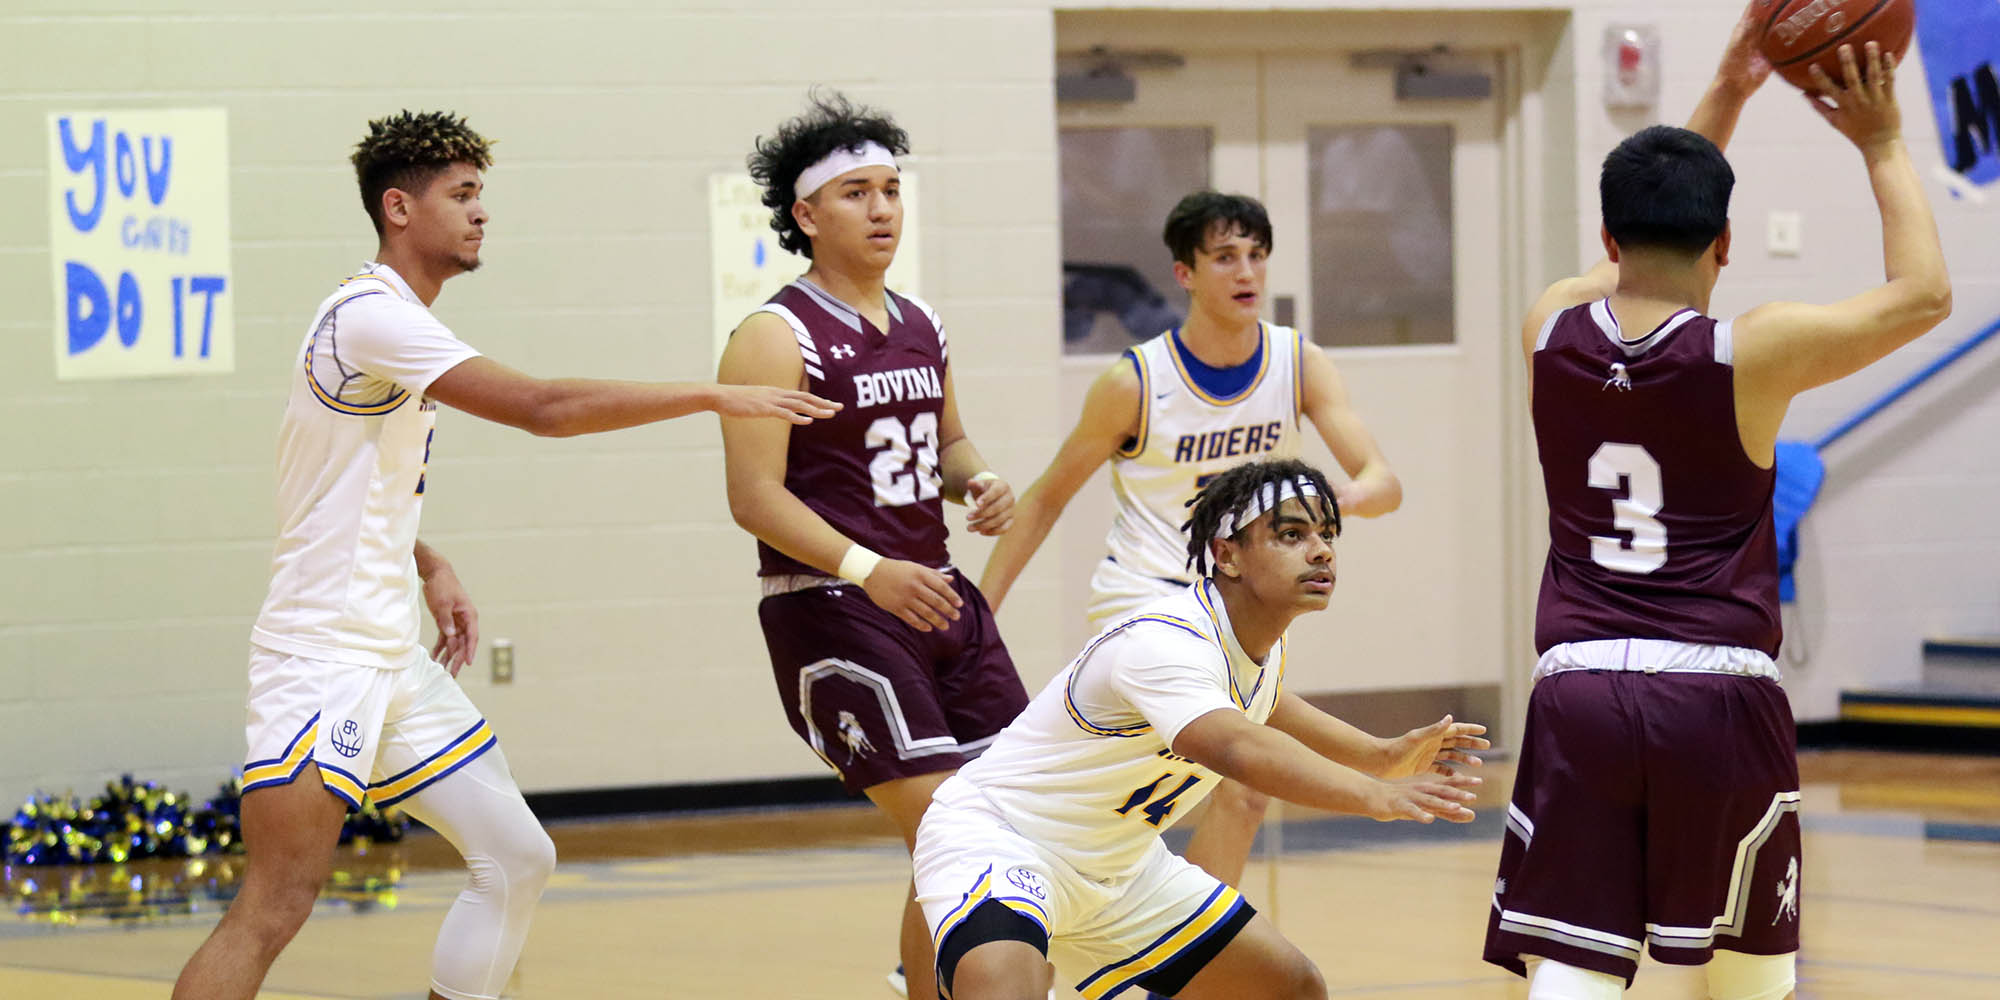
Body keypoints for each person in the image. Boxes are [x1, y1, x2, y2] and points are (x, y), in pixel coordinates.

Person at [173, 110, 836, 1000]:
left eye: (482, 194)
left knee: (518, 855)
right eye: (462, 195)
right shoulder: (373, 315)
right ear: (399, 209)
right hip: (320, 658)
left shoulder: (388, 322)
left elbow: (343, 483)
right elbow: (543, 407)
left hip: (390, 659)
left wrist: (426, 559)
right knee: (275, 905)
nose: (482, 213)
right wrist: (714, 393)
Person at [1482, 8, 1951, 999]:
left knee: (1571, 969)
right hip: (1717, 696)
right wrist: (1880, 143)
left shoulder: (1545, 327)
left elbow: (1633, 251)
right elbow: (1921, 294)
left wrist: (1730, 89)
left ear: (1607, 235)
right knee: (1747, 975)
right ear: (1725, 244)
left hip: (1577, 689)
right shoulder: (1752, 349)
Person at [917, 458, 1488, 1000]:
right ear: (1228, 555)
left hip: (1120, 868)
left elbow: (1268, 704)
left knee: (1291, 988)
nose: (1319, 552)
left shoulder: (1251, 645)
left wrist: (1381, 754)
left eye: (1327, 535)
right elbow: (1237, 746)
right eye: (1291, 535)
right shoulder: (1164, 641)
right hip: (1003, 839)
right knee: (1005, 988)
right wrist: (1375, 795)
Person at [979, 191, 1403, 912]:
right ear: (1184, 274)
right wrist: (977, 615)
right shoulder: (1135, 382)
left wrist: (1351, 495)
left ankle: (1180, 964)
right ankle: (996, 892)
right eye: (1225, 257)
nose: (1246, 272)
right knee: (1212, 775)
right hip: (1146, 598)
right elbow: (1047, 497)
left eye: (1257, 256)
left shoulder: (1297, 362)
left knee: (1237, 794)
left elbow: (1382, 479)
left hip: (1240, 601)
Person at [716, 91, 1031, 1000]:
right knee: (945, 818)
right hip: (830, 606)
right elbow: (753, 497)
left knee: (1002, 813)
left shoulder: (923, 322)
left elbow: (947, 444)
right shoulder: (773, 338)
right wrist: (866, 569)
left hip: (931, 591)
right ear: (807, 215)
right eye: (857, 192)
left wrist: (978, 480)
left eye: (891, 188)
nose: (883, 208)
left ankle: (920, 977)